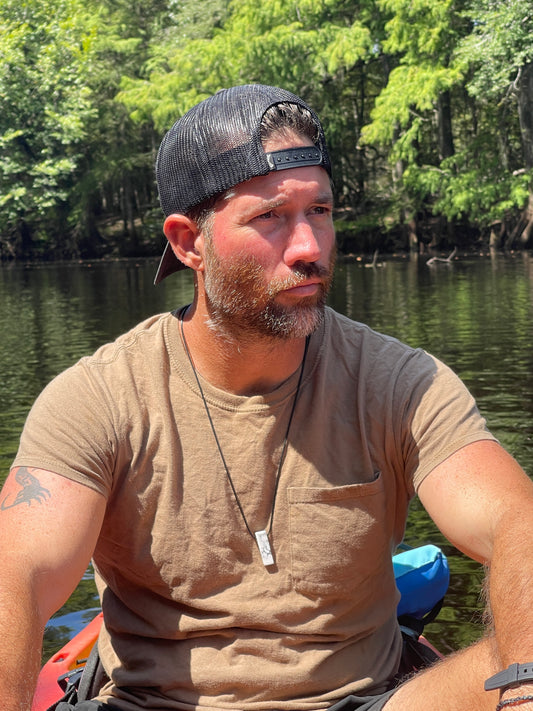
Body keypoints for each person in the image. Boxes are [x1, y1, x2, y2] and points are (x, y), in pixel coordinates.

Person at [1, 84, 533, 711]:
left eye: (322, 213)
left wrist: (524, 680)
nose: (309, 248)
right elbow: (19, 573)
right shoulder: (97, 399)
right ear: (187, 242)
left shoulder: (400, 382)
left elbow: (514, 519)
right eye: (271, 217)